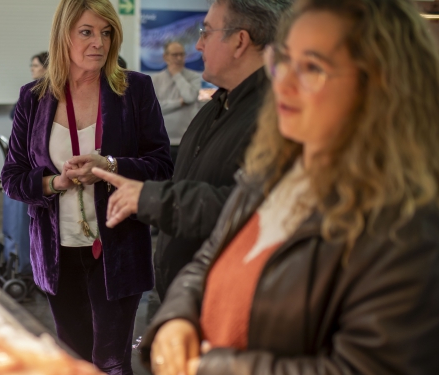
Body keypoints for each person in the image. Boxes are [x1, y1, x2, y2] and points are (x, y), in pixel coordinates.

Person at [137, 0, 439, 373]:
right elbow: (209, 258)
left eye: (312, 67)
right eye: (285, 61)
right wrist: (178, 318)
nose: (284, 82)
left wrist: (209, 366)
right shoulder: (275, 171)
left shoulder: (407, 225)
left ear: (380, 84)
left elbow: (365, 366)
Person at [0, 0, 173, 372]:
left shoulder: (134, 90)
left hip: (117, 251)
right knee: (72, 361)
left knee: (111, 362)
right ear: (63, 35)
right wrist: (54, 182)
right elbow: (12, 178)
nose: (99, 42)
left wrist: (109, 166)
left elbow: (161, 165)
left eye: (106, 32)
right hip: (56, 253)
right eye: (87, 32)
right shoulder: (33, 98)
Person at [93, 0, 292, 301]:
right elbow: (191, 182)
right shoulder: (218, 106)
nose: (197, 45)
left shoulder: (276, 117)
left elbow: (254, 210)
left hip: (225, 301)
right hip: (189, 297)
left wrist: (151, 199)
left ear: (240, 41)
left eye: (206, 32)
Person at [152, 41, 202, 163]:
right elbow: (155, 108)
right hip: (162, 140)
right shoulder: (155, 79)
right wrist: (179, 102)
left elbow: (189, 97)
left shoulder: (193, 76)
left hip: (187, 140)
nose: (179, 58)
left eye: (182, 54)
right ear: (166, 57)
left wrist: (176, 75)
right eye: (175, 55)